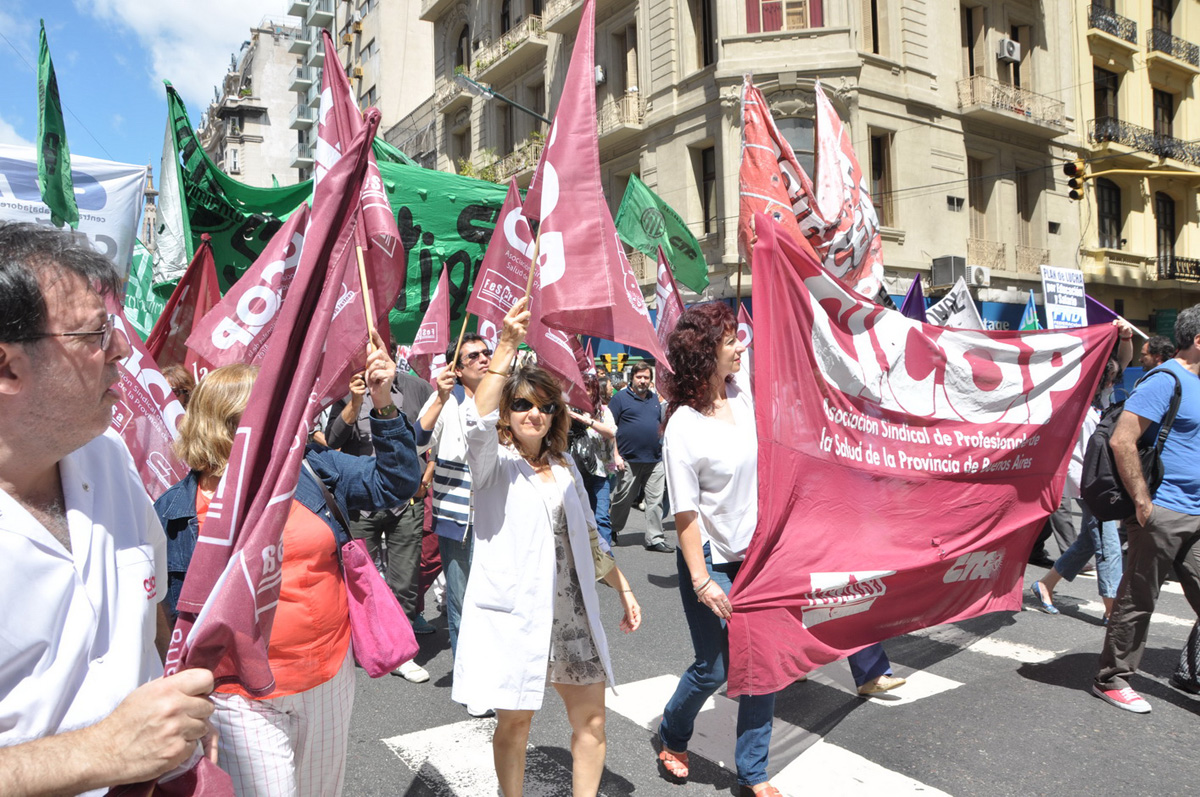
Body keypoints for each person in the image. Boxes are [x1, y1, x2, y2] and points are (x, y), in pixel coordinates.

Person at [0, 221, 214, 795]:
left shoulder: (110, 457)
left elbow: (149, 611)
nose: (122, 349)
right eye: (95, 335)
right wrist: (102, 752)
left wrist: (177, 701)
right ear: (7, 367)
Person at [154, 352, 422, 795]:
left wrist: (384, 404)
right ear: (226, 425)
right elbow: (164, 620)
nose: (286, 420)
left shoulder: (311, 470)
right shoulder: (175, 513)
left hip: (328, 678)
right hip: (240, 697)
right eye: (271, 412)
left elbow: (394, 483)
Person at [453, 299, 641, 797]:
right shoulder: (492, 466)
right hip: (519, 616)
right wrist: (507, 347)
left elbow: (589, 536)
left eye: (545, 405)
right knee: (515, 726)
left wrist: (622, 587)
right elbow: (475, 423)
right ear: (507, 413)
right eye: (522, 404)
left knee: (593, 723)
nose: (534, 413)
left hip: (571, 615)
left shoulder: (564, 467)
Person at [656, 302, 780, 797]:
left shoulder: (744, 394)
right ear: (705, 354)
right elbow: (685, 514)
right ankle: (673, 733)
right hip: (709, 559)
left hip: (759, 556)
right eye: (730, 340)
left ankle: (753, 773)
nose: (740, 346)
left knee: (762, 663)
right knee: (717, 668)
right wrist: (703, 580)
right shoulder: (683, 426)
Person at [1093, 305, 1200, 713]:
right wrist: (1142, 501)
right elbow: (1123, 439)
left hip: (1197, 512)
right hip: (1163, 510)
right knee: (1138, 598)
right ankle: (1112, 678)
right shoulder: (1165, 379)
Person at [326, 366, 436, 683]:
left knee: (404, 578)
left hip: (406, 501)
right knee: (362, 579)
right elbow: (332, 440)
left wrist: (425, 478)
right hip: (362, 502)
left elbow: (438, 435)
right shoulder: (346, 391)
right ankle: (368, 641)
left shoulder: (417, 388)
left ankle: (400, 652)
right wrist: (356, 402)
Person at [415, 333, 494, 716]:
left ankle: (494, 670)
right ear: (457, 369)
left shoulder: (505, 394)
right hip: (459, 515)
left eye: (486, 353)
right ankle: (470, 681)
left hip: (499, 515)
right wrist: (441, 397)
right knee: (463, 600)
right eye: (473, 356)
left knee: (493, 598)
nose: (483, 359)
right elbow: (415, 441)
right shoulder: (445, 400)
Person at [1031, 358, 1125, 620]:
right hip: (1089, 482)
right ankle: (1112, 608)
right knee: (1108, 544)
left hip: (1101, 480)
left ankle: (1045, 585)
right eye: (1109, 377)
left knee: (1088, 540)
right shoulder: (1077, 402)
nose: (1112, 383)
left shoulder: (1102, 399)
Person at [609, 362, 673, 552]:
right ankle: (611, 529)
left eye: (646, 377)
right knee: (623, 499)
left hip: (654, 460)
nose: (643, 381)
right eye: (639, 377)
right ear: (632, 378)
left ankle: (655, 538)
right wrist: (616, 456)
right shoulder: (620, 399)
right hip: (628, 460)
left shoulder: (655, 400)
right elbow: (609, 429)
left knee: (655, 501)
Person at [568, 374, 617, 546]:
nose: (584, 392)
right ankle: (584, 553)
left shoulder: (603, 411)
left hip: (600, 472)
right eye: (580, 388)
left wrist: (587, 420)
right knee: (578, 516)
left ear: (595, 391)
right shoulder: (569, 410)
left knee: (601, 516)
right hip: (576, 472)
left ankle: (606, 557)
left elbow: (611, 433)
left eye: (587, 388)